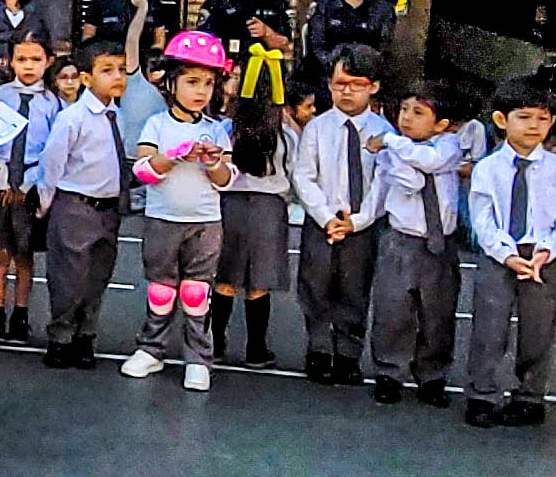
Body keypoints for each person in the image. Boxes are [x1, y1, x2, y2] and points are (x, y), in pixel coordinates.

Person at [121, 29, 238, 392]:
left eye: (208, 83)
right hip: (163, 220)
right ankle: (151, 349)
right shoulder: (156, 125)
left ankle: (199, 359)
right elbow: (143, 171)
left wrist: (213, 162)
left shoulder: (216, 130)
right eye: (191, 82)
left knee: (196, 293)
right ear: (171, 83)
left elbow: (226, 180)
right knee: (161, 291)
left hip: (205, 223)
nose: (201, 91)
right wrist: (172, 156)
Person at [462, 79, 556, 427]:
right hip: (499, 257)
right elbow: (482, 219)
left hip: (543, 258)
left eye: (542, 119)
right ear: (502, 120)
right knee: (489, 328)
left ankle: (530, 396)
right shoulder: (487, 168)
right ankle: (482, 394)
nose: (533, 126)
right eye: (524, 117)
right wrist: (507, 255)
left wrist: (546, 250)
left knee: (537, 331)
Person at [361, 82, 471, 408]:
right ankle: (389, 373)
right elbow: (403, 183)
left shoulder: (448, 145)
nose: (406, 118)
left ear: (441, 124)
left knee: (438, 313)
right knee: (392, 309)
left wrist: (390, 141)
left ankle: (432, 375)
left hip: (439, 244)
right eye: (404, 110)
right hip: (401, 239)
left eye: (418, 113)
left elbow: (429, 162)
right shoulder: (394, 150)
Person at [291, 44, 392, 384]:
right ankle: (319, 348)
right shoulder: (318, 128)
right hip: (323, 221)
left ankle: (349, 353)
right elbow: (304, 176)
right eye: (340, 84)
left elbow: (384, 182)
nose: (347, 92)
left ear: (373, 86)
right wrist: (325, 217)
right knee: (315, 285)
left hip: (362, 225)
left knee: (355, 288)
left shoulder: (384, 132)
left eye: (357, 84)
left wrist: (359, 220)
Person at [36, 38, 137, 370]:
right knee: (69, 276)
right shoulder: (73, 118)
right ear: (86, 78)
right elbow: (53, 162)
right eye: (107, 70)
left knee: (98, 276)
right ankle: (60, 336)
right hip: (75, 204)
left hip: (109, 208)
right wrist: (46, 201)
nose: (117, 77)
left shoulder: (117, 115)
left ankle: (85, 335)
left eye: (121, 70)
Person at [0, 33, 61, 340]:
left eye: (36, 60)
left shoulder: (53, 104)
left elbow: (54, 151)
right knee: (0, 254)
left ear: (48, 62)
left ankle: (21, 315)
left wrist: (30, 183)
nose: (28, 66)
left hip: (32, 186)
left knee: (25, 255)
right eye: (21, 59)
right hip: (0, 183)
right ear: (10, 62)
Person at [215, 59, 295, 368]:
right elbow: (294, 170)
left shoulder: (227, 128)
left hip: (229, 204)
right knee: (259, 280)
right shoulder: (284, 132)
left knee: (225, 276)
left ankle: (215, 342)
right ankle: (256, 348)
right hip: (269, 207)